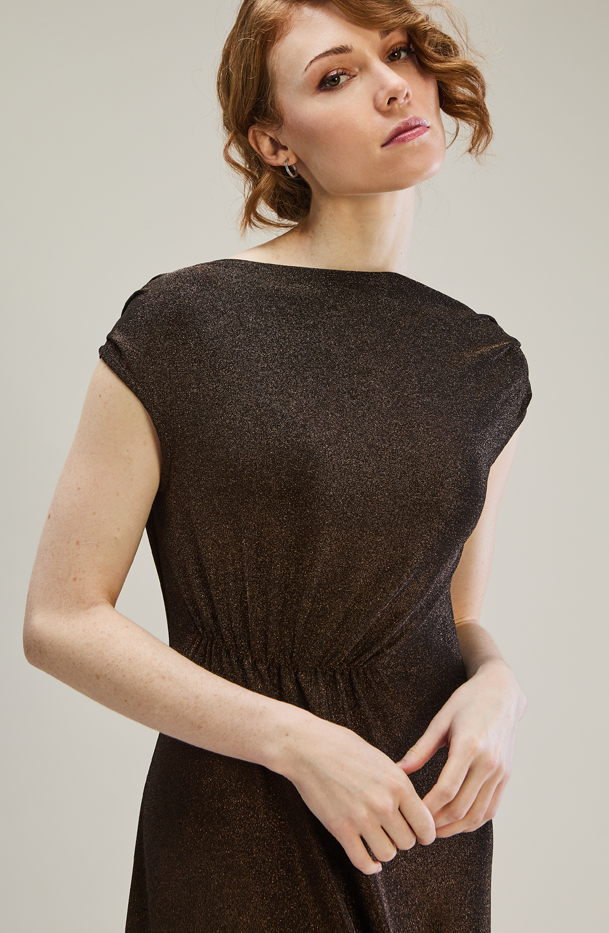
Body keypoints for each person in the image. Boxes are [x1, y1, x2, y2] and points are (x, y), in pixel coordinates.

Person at [23, 0, 532, 930]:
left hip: (423, 824)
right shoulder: (182, 324)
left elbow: (454, 613)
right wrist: (298, 744)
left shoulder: (485, 365)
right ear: (272, 142)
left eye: (399, 53)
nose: (390, 86)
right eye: (334, 77)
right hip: (241, 812)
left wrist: (500, 686)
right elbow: (59, 619)